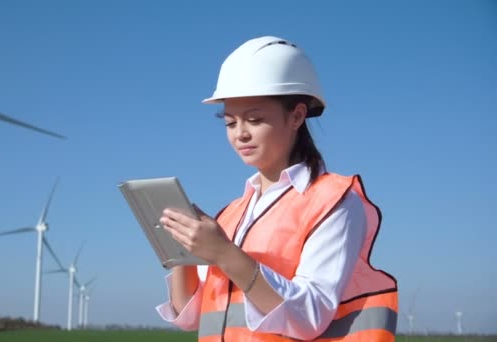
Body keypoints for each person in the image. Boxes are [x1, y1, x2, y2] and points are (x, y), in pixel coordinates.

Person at [156, 36, 398, 341]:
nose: (240, 134)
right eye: (230, 123)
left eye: (254, 119)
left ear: (296, 116)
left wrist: (224, 252)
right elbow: (190, 316)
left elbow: (309, 317)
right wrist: (180, 252)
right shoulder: (231, 214)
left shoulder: (334, 201)